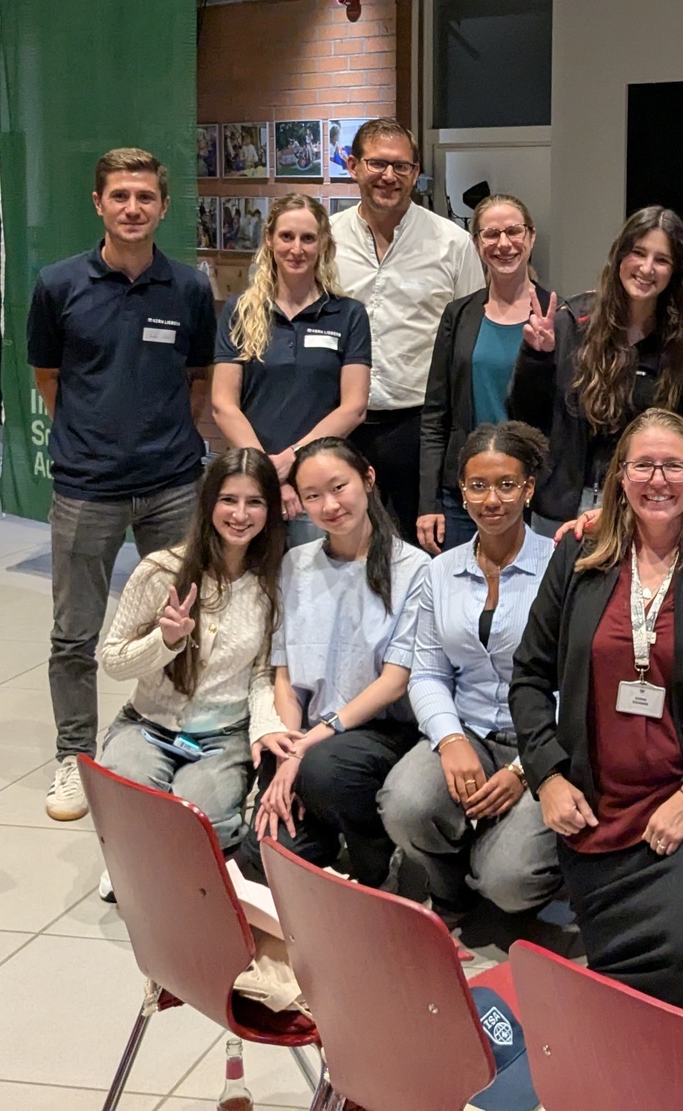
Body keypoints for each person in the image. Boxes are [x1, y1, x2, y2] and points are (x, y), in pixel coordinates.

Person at [510, 410, 683, 1027]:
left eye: (674, 466)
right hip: (596, 800)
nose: (658, 480)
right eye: (643, 465)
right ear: (620, 477)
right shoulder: (581, 555)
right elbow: (529, 676)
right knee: (623, 980)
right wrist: (548, 775)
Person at [28, 147, 215, 823]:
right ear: (98, 204)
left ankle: (173, 744)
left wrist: (160, 437)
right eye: (120, 196)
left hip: (171, 483)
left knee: (184, 624)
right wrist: (92, 436)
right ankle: (75, 760)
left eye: (145, 197)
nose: (132, 208)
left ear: (163, 207)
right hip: (86, 488)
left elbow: (197, 380)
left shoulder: (190, 289)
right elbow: (49, 378)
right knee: (74, 635)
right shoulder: (57, 285)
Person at [383, 421, 561, 921]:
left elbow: (577, 683)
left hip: (541, 741)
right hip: (470, 730)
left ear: (528, 489)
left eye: (507, 484)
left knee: (508, 880)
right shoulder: (440, 571)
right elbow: (427, 673)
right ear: (462, 491)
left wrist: (528, 766)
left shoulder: (561, 568)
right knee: (405, 802)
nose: (492, 500)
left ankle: (497, 872)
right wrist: (449, 739)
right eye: (477, 485)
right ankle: (448, 887)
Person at [96, 450, 288, 895]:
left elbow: (263, 676)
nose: (240, 515)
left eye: (255, 502)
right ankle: (138, 858)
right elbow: (112, 660)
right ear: (207, 503)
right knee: (130, 794)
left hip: (222, 737)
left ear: (271, 510)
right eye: (228, 500)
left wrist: (264, 730)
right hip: (147, 724)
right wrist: (163, 642)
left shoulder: (273, 582)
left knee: (203, 818)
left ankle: (154, 860)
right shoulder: (160, 570)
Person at [246, 436, 431, 889]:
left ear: (367, 479)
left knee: (324, 770)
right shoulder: (295, 563)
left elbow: (394, 681)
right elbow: (284, 671)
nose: (329, 505)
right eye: (312, 496)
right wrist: (290, 746)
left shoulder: (415, 567)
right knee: (261, 858)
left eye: (338, 487)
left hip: (378, 731)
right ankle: (324, 831)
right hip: (307, 733)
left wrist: (306, 749)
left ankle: (377, 862)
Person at [330, 118, 483, 536]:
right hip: (339, 424)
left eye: (401, 167)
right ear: (353, 166)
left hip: (417, 429)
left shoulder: (451, 244)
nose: (389, 176)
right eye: (377, 163)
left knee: (418, 550)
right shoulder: (324, 241)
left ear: (416, 173)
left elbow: (470, 341)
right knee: (344, 545)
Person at [509, 206, 683, 529]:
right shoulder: (572, 322)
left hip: (641, 507)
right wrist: (536, 357)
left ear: (675, 271)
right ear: (620, 255)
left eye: (662, 260)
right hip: (562, 510)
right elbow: (524, 417)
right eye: (638, 253)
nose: (647, 268)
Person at [212, 194, 372, 544]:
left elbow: (354, 407)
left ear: (324, 243)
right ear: (269, 239)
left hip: (318, 488)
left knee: (315, 592)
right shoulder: (240, 311)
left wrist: (293, 460)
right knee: (249, 591)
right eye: (287, 237)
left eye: (308, 238)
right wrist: (268, 471)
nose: (296, 249)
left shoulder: (348, 315)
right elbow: (224, 405)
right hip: (252, 484)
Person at [415, 194, 553, 554]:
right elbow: (435, 416)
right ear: (476, 243)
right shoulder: (458, 315)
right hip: (465, 495)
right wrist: (428, 503)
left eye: (513, 231)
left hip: (532, 496)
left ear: (531, 237)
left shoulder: (560, 315)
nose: (504, 244)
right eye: (491, 234)